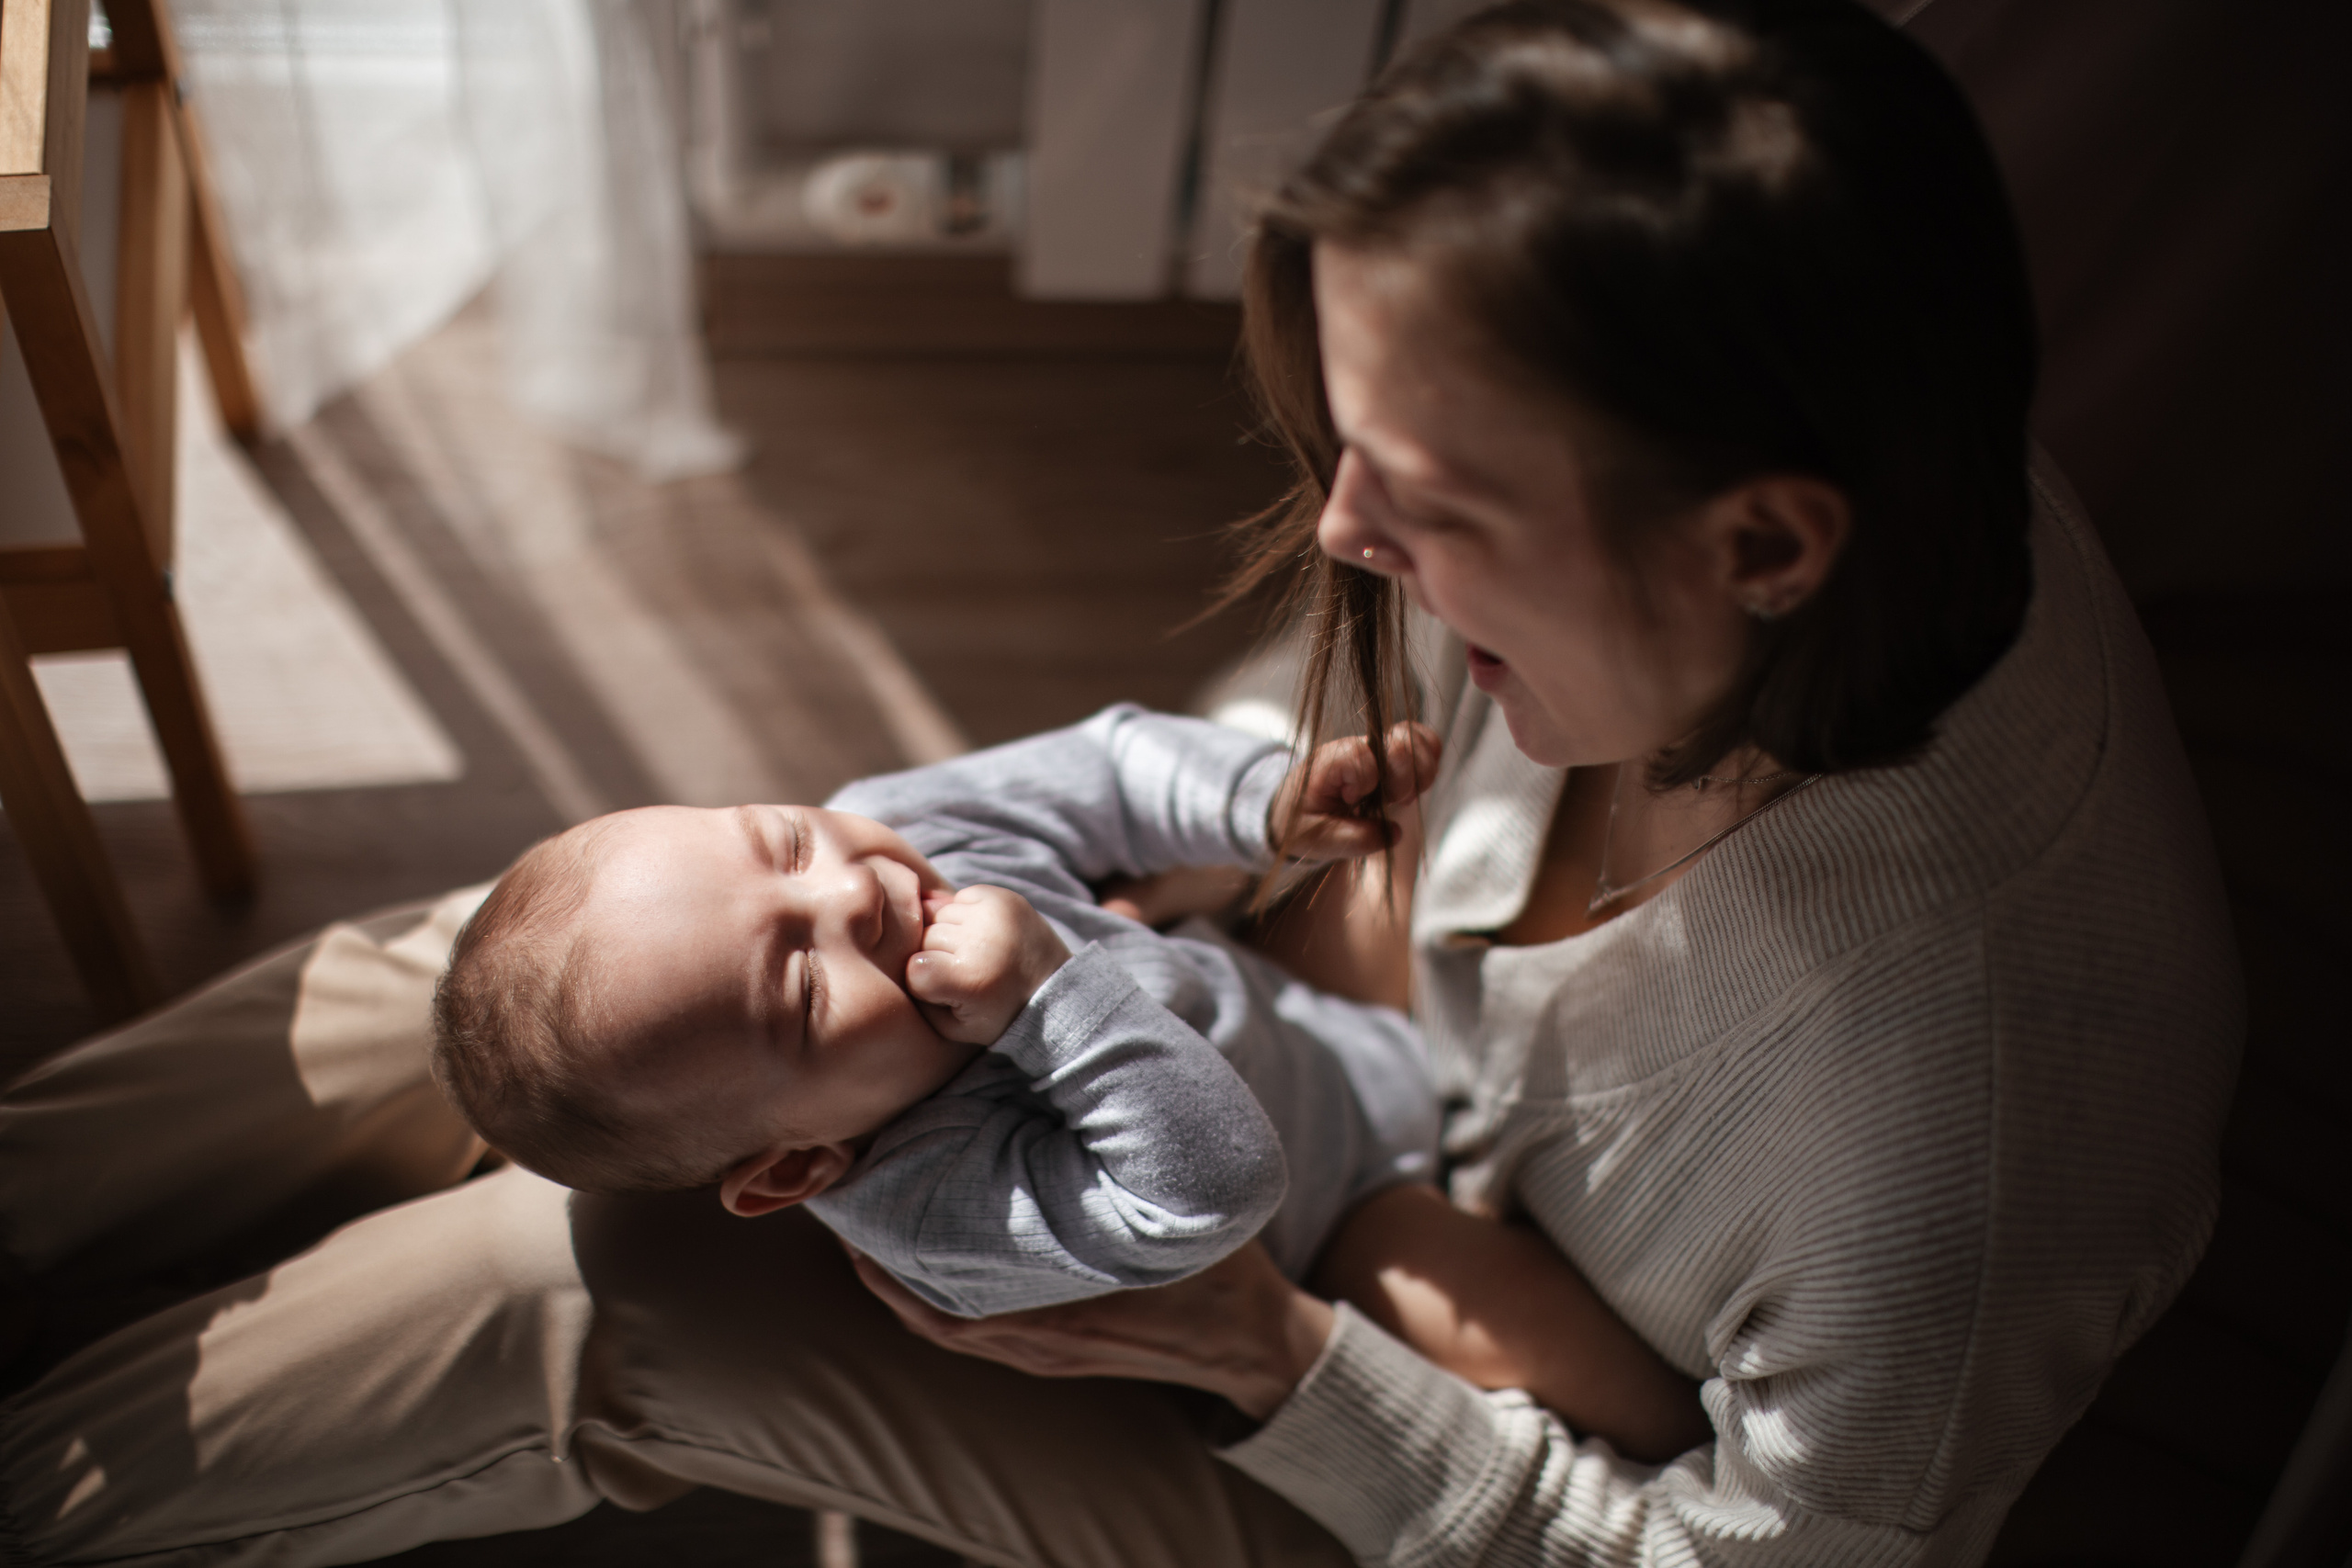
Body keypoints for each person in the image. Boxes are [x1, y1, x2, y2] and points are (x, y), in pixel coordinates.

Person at [0, 2, 2238, 1564]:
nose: (1348, 531)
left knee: (596, 1273)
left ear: (1757, 544)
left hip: (1393, 1384)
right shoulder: (1770, 449)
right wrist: (1231, 826)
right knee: (546, 968)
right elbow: (1117, 777)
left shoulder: (1941, 1123)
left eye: (1427, 496)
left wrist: (1264, 1346)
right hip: (1310, 1052)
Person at [430, 705, 1444, 1317]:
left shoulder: (903, 825)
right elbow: (1216, 1191)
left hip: (1317, 1024)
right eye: (803, 987)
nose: (848, 894)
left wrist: (1260, 800)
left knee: (1413, 827)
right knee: (1525, 1337)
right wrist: (1046, 998)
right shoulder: (928, 1202)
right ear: (796, 1164)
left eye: (782, 842)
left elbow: (1108, 768)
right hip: (1348, 1227)